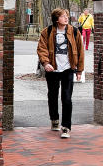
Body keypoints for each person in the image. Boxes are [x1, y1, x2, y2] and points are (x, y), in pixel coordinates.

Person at [36, 7, 85, 139]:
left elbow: (80, 51)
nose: (66, 18)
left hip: (68, 69)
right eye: (63, 16)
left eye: (67, 16)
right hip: (53, 69)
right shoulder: (47, 32)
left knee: (67, 98)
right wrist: (46, 63)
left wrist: (79, 70)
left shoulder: (74, 32)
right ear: (57, 19)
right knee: (52, 95)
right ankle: (54, 119)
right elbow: (41, 49)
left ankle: (66, 127)